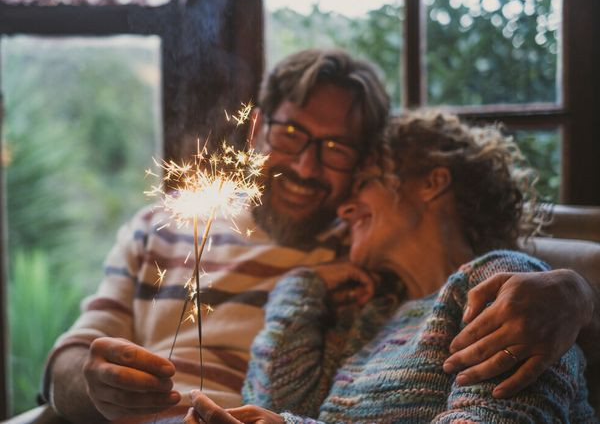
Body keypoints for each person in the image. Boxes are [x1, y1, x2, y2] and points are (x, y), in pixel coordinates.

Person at [43, 49, 599, 423]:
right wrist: (92, 382)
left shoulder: (364, 261)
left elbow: (502, 287)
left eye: (337, 150)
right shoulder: (160, 227)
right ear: (258, 129)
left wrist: (576, 291)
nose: (308, 168)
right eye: (291, 135)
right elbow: (69, 361)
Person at [185, 111, 597, 423]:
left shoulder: (507, 287)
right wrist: (300, 288)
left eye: (365, 182)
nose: (344, 209)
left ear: (432, 183)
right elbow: (271, 404)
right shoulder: (368, 317)